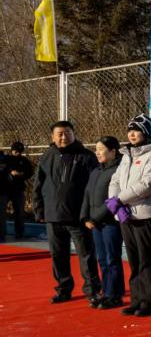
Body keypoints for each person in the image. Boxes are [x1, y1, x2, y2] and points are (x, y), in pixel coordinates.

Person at [33, 121, 101, 305]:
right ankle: (63, 289)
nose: (64, 137)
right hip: (53, 216)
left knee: (86, 255)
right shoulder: (47, 156)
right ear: (53, 136)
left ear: (73, 133)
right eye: (60, 134)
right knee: (58, 255)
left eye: (67, 133)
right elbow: (38, 185)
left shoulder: (86, 156)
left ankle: (92, 291)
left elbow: (94, 187)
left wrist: (89, 213)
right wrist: (39, 210)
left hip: (79, 217)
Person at [107, 115, 151, 317]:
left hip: (144, 215)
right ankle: (136, 300)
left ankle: (150, 302)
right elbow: (115, 179)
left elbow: (150, 182)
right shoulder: (127, 154)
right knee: (133, 259)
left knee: (147, 259)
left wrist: (120, 199)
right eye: (130, 130)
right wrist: (114, 201)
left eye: (137, 130)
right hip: (126, 215)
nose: (132, 134)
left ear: (146, 132)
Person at [80, 136, 125, 309]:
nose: (97, 153)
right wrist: (85, 217)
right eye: (96, 149)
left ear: (113, 151)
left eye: (101, 149)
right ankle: (106, 293)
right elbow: (87, 194)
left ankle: (115, 295)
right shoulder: (96, 171)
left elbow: (114, 199)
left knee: (112, 259)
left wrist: (95, 218)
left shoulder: (118, 170)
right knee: (102, 260)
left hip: (110, 223)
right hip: (95, 224)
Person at [1, 141, 33, 240]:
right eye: (16, 151)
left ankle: (19, 232)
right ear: (12, 151)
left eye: (19, 152)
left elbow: (30, 172)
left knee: (19, 212)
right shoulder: (6, 159)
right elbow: (2, 170)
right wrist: (10, 172)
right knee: (1, 212)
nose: (18, 153)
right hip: (5, 189)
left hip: (18, 189)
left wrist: (21, 174)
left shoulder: (24, 160)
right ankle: (1, 234)